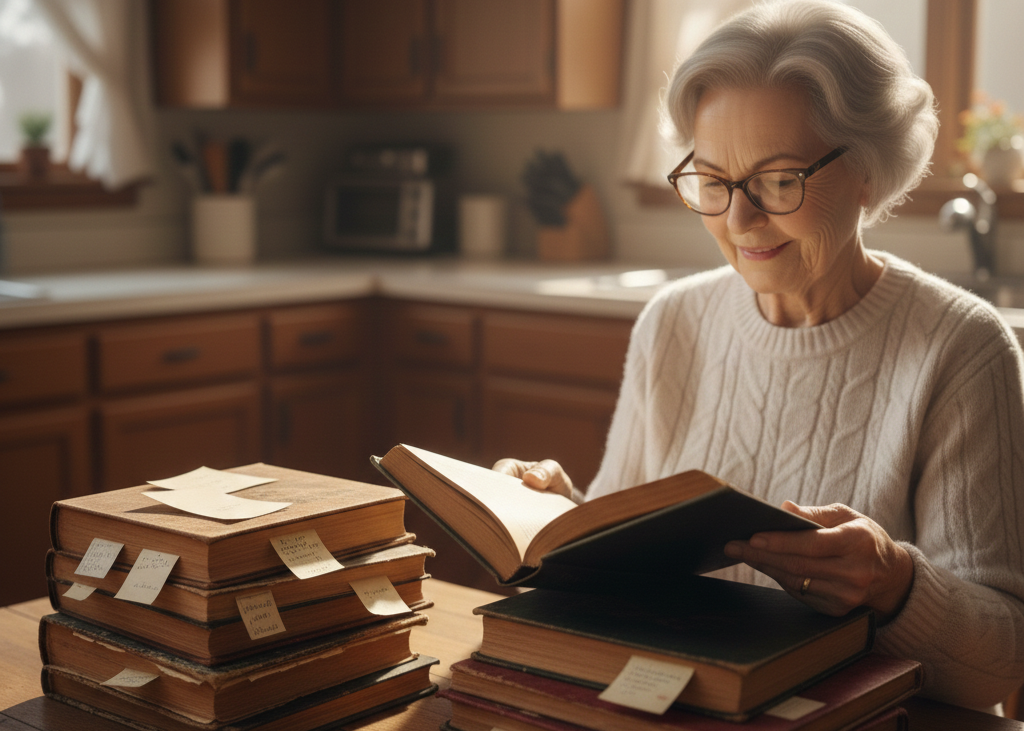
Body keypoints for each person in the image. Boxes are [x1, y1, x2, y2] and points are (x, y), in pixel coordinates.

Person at [493, 0, 1024, 713]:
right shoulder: (673, 323)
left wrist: (895, 583)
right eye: (714, 181)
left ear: (867, 171)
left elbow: (1001, 668)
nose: (740, 220)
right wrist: (560, 521)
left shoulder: (962, 348)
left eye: (778, 180)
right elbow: (625, 566)